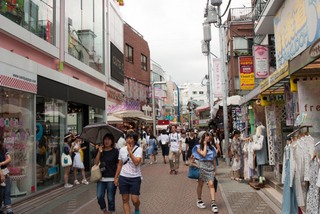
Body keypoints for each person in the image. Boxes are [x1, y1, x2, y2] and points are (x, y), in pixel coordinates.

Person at [114, 131, 143, 214]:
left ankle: (137, 208)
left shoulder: (139, 149)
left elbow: (136, 162)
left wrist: (130, 152)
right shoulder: (122, 150)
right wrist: (116, 177)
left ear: (135, 140)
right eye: (128, 138)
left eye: (131, 138)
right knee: (125, 199)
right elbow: (120, 164)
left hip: (135, 177)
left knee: (134, 200)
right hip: (123, 176)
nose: (129, 140)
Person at [193, 132, 218, 213]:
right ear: (202, 138)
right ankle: (199, 200)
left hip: (210, 167)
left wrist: (215, 169)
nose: (208, 137)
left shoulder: (212, 147)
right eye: (206, 136)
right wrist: (204, 145)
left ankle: (213, 203)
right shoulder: (197, 147)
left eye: (208, 136)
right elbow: (203, 154)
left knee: (211, 184)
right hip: (201, 167)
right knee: (200, 184)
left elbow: (213, 158)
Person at [95, 133, 119, 214]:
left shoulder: (115, 151)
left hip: (112, 177)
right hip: (101, 178)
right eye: (105, 139)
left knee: (110, 197)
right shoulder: (100, 151)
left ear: (112, 141)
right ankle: (104, 210)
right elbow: (96, 163)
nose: (107, 141)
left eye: (109, 139)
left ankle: (111, 211)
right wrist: (99, 152)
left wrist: (117, 177)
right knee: (99, 196)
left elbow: (118, 164)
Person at [0, 136, 13, 214]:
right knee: (1, 192)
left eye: (1, 140)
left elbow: (9, 158)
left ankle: (8, 209)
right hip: (1, 173)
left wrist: (2, 163)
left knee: (7, 191)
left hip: (5, 171)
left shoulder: (3, 149)